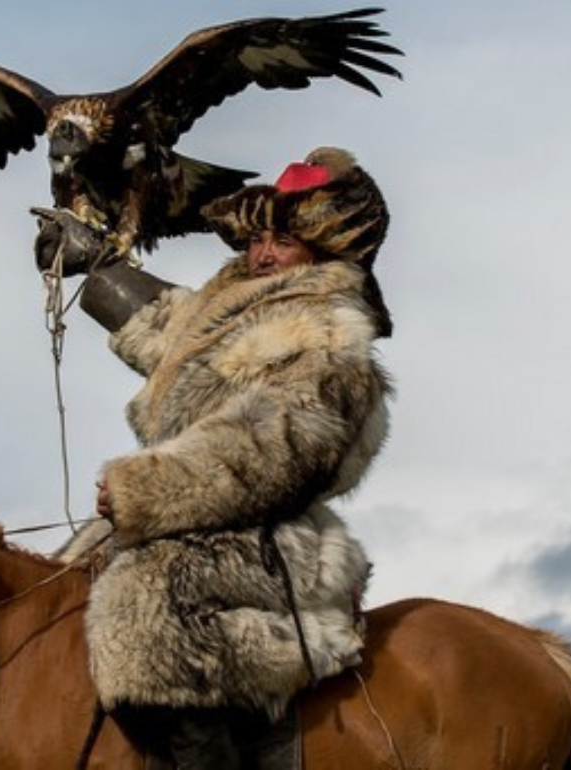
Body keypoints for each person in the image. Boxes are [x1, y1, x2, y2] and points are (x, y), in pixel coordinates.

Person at [35, 147, 393, 768]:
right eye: (257, 238)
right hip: (190, 519)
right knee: (62, 585)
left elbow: (267, 453)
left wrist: (142, 491)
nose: (262, 254)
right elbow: (171, 331)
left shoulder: (328, 335)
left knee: (147, 607)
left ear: (325, 249)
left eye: (283, 240)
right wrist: (94, 261)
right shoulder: (237, 307)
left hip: (271, 536)